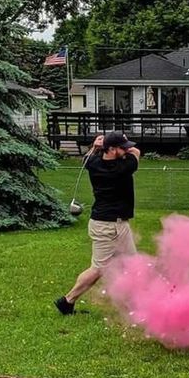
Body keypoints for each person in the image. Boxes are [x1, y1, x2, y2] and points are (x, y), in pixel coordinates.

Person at [55, 131, 140, 314]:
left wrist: (95, 146)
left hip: (113, 224)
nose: (126, 150)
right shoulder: (122, 167)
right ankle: (67, 301)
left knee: (132, 264)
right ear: (112, 149)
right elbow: (136, 152)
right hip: (108, 226)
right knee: (98, 269)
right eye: (122, 148)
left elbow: (87, 158)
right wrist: (110, 145)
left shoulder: (94, 162)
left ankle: (134, 303)